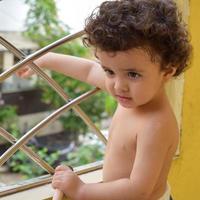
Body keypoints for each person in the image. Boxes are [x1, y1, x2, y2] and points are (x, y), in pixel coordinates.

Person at [17, 0, 192, 199]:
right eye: (109, 71)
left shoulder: (155, 124)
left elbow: (139, 190)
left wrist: (81, 190)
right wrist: (46, 59)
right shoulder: (133, 92)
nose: (117, 86)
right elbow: (89, 70)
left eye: (133, 74)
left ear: (167, 71)